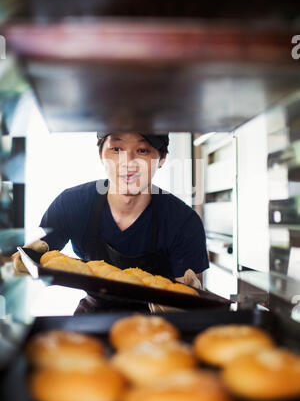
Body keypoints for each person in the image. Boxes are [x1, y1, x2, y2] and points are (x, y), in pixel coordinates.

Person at [13, 132, 209, 312]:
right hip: (91, 318)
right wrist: (25, 259)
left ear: (162, 159)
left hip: (157, 328)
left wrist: (185, 309)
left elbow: (189, 297)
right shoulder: (73, 203)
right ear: (101, 155)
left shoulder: (183, 221)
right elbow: (38, 253)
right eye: (116, 149)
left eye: (142, 150)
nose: (128, 163)